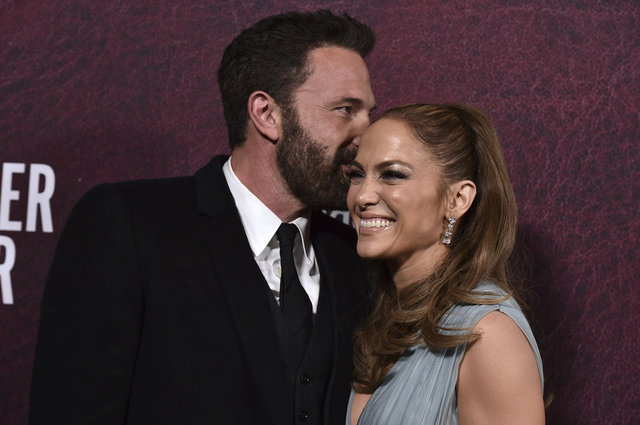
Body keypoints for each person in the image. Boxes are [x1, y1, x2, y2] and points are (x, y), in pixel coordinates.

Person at [29, 10, 376, 425]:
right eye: (345, 109)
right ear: (267, 114)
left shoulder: (353, 256)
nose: (367, 135)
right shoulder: (132, 225)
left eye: (368, 113)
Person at [345, 104, 545, 425]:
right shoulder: (389, 317)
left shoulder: (488, 336)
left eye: (392, 174)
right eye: (357, 175)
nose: (362, 196)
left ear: (458, 199)